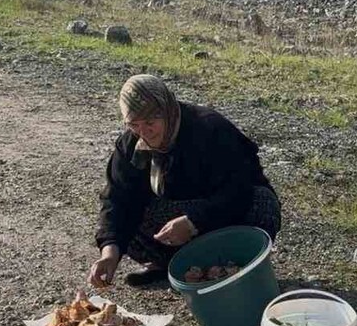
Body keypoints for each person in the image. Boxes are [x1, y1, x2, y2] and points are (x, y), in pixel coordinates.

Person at [88, 74, 281, 288]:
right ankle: (176, 266)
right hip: (176, 220)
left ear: (167, 111)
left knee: (263, 202)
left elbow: (239, 189)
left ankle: (236, 267)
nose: (144, 132)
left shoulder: (209, 129)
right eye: (134, 124)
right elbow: (117, 199)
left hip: (222, 216)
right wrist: (110, 253)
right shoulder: (131, 145)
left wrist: (194, 221)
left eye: (150, 122)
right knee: (129, 221)